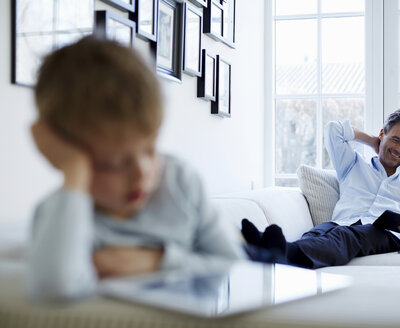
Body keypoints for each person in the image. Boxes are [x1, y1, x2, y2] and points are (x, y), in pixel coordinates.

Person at [27, 37, 244, 301]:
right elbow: (55, 286)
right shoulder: (64, 212)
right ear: (69, 156)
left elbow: (237, 268)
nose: (142, 172)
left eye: (150, 149)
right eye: (115, 163)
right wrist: (74, 173)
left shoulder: (181, 182)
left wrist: (156, 260)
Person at [242, 109, 400, 269]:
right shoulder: (353, 165)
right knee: (314, 235)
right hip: (339, 224)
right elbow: (333, 130)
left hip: (385, 235)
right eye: (395, 140)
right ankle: (262, 248)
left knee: (346, 237)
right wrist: (371, 140)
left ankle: (278, 253)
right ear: (382, 134)